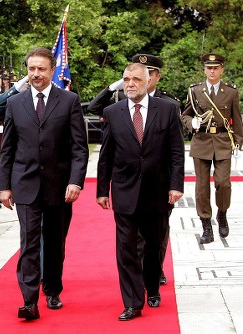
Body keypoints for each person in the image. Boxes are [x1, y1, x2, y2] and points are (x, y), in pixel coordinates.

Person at [0, 47, 88, 320]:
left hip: (59, 186)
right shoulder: (15, 103)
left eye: (41, 69)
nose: (35, 74)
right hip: (25, 183)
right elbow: (7, 148)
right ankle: (29, 300)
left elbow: (79, 148)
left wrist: (75, 181)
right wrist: (4, 186)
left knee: (54, 242)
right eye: (31, 69)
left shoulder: (69, 100)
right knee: (29, 242)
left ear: (52, 71)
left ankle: (52, 288)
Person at [96, 63, 184, 321]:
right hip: (124, 190)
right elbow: (106, 155)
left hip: (158, 191)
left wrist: (176, 185)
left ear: (148, 82)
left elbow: (176, 152)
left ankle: (152, 286)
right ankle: (132, 302)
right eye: (126, 79)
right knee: (125, 248)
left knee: (154, 244)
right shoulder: (113, 112)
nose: (130, 84)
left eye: (136, 79)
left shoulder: (168, 109)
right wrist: (103, 189)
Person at [182, 53, 243, 244]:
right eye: (209, 68)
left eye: (216, 67)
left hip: (223, 140)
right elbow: (184, 115)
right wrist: (193, 122)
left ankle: (222, 213)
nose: (212, 71)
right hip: (201, 140)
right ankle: (206, 225)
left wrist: (239, 140)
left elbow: (237, 117)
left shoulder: (231, 91)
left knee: (223, 183)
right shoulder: (195, 91)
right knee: (201, 188)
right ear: (204, 70)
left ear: (222, 69)